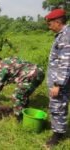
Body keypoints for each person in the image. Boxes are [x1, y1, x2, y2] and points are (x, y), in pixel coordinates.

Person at [44, 9, 70, 148]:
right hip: (59, 80)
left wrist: (57, 84)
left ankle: (57, 136)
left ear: (58, 22)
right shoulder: (62, 35)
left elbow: (66, 62)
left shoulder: (66, 36)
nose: (49, 26)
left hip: (60, 82)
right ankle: (58, 130)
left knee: (58, 107)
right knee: (58, 106)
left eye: (50, 23)